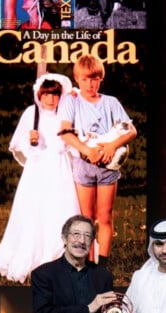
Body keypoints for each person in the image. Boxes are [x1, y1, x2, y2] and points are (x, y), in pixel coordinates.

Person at [0, 73, 80, 284]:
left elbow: (73, 137)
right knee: (35, 209)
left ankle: (60, 255)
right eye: (46, 94)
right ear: (40, 94)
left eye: (55, 94)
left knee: (60, 207)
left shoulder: (66, 113)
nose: (50, 99)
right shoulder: (32, 113)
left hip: (60, 167)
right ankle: (32, 252)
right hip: (38, 167)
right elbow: (18, 145)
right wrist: (31, 141)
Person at [58, 53, 136, 265]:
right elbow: (65, 132)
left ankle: (102, 263)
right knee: (87, 218)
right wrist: (86, 150)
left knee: (105, 216)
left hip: (108, 167)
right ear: (77, 79)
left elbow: (131, 131)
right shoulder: (71, 102)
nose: (90, 84)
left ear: (101, 78)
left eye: (94, 78)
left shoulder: (110, 102)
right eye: (84, 79)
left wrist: (112, 145)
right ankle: (87, 261)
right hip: (83, 165)